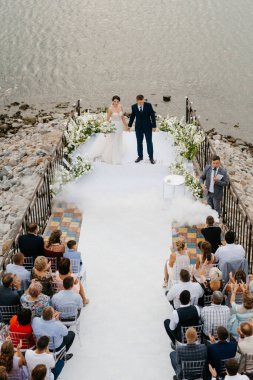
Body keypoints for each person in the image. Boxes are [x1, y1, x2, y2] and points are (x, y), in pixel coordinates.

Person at [88, 96, 128, 164]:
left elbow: (122, 117)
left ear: (119, 102)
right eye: (114, 101)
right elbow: (107, 119)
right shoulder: (110, 109)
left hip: (119, 126)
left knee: (118, 139)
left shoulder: (120, 107)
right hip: (113, 126)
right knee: (112, 140)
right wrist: (106, 127)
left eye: (117, 101)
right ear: (112, 101)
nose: (116, 103)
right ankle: (111, 156)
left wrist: (126, 125)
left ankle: (118, 152)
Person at [128, 94, 156, 164]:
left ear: (143, 100)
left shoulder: (148, 105)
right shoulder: (134, 107)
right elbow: (132, 116)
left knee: (149, 142)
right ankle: (140, 156)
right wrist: (129, 125)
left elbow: (152, 116)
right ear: (137, 101)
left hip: (148, 127)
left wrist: (154, 126)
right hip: (138, 127)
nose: (141, 103)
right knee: (139, 142)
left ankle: (151, 157)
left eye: (142, 101)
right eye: (139, 102)